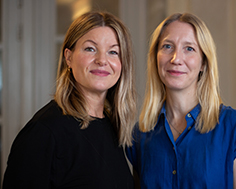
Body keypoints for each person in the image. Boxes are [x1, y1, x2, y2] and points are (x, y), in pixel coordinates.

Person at [126, 13, 236, 188]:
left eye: (189, 48)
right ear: (155, 58)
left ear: (203, 63)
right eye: (168, 46)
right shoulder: (140, 134)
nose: (176, 59)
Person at [3, 11, 136, 189]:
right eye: (90, 49)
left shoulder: (112, 126)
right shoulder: (44, 132)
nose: (102, 60)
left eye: (113, 52)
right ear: (68, 57)